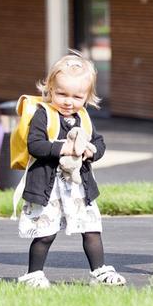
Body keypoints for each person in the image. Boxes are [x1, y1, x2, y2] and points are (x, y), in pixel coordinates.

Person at [16, 52, 126, 288]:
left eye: (77, 96)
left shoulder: (83, 117)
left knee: (92, 229)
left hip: (78, 187)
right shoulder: (43, 114)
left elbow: (99, 143)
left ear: (88, 96)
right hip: (48, 186)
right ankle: (33, 274)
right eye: (61, 94)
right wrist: (64, 148)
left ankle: (99, 270)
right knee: (45, 233)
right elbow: (35, 145)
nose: (69, 101)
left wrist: (91, 151)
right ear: (50, 89)